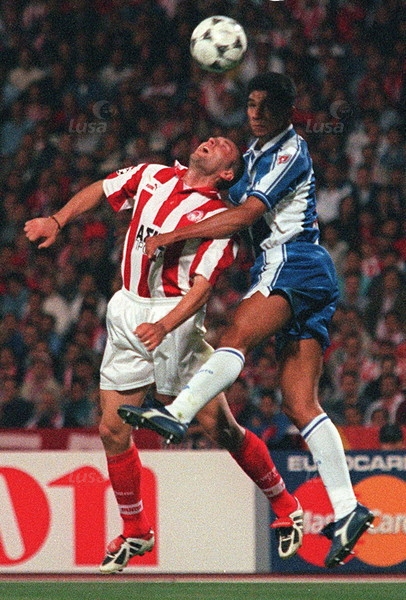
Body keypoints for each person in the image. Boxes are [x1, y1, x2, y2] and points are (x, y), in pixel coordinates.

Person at [125, 73, 375, 569]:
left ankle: (178, 413)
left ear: (286, 110)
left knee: (235, 334)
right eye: (251, 104)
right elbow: (225, 195)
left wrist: (174, 236)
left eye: (265, 106)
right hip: (307, 273)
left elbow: (244, 216)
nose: (255, 114)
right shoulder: (256, 153)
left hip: (293, 260)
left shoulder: (289, 152)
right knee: (300, 403)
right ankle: (350, 509)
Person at [24, 135, 303, 573]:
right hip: (127, 309)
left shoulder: (219, 220)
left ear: (227, 173)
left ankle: (286, 505)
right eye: (212, 138)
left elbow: (202, 290)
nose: (213, 140)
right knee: (111, 430)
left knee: (219, 428)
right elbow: (101, 188)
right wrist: (57, 220)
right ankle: (136, 530)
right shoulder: (153, 175)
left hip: (174, 320)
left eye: (223, 146)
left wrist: (164, 326)